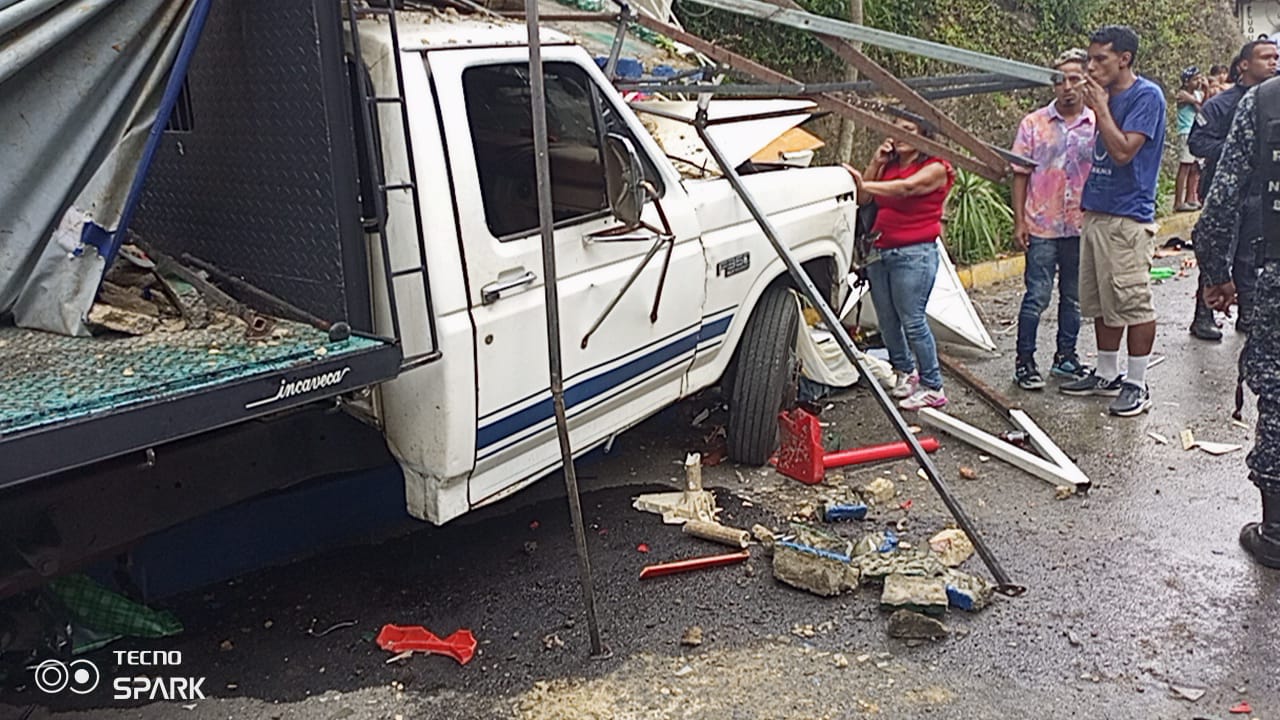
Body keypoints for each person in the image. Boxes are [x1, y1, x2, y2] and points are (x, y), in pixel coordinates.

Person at [1192, 74, 1280, 569]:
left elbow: (1220, 202)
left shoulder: (1265, 102)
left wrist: (1217, 275)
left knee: (1279, 395)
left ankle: (1276, 531)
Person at [1059, 25, 1166, 417]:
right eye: (1090, 58)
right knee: (1102, 302)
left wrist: (1101, 107)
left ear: (1125, 59)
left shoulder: (1146, 97)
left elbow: (1123, 152)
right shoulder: (1102, 96)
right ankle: (1106, 373)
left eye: (1100, 59)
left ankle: (1137, 383)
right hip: (1097, 210)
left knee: (1132, 302)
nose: (1092, 66)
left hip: (1128, 217)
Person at [841, 115, 955, 411]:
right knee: (887, 319)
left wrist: (863, 182)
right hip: (881, 249)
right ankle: (905, 371)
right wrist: (876, 163)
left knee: (913, 319)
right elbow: (864, 197)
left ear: (923, 136)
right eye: (896, 130)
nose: (900, 135)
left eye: (908, 130)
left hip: (914, 253)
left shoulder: (936, 168)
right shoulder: (890, 166)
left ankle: (933, 384)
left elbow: (906, 189)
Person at [1010, 48, 1095, 390]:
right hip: (1041, 224)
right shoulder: (1033, 124)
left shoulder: (1097, 124)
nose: (1067, 87)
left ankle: (1066, 358)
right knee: (1037, 296)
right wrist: (1019, 222)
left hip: (1080, 225)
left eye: (1075, 79)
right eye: (1060, 80)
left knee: (1073, 297)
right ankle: (1025, 361)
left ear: (1087, 82)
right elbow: (1019, 174)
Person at [1188, 39, 1280, 341]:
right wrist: (1236, 150)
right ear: (1244, 64)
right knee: (1220, 252)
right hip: (1225, 186)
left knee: (1250, 256)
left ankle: (1248, 314)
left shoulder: (1272, 100)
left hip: (1261, 194)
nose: (1273, 63)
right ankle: (1205, 315)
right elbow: (1197, 142)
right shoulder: (1224, 104)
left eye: (1276, 57)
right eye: (1265, 57)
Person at [1173, 66, 1204, 212]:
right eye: (1195, 79)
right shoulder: (1182, 94)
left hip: (1196, 132)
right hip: (1186, 131)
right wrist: (1193, 100)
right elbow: (1199, 107)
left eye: (1199, 78)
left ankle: (1190, 198)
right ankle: (1178, 201)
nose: (1198, 82)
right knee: (1185, 166)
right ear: (1186, 82)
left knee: (1195, 167)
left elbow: (1203, 107)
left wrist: (1194, 99)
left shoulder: (1197, 95)